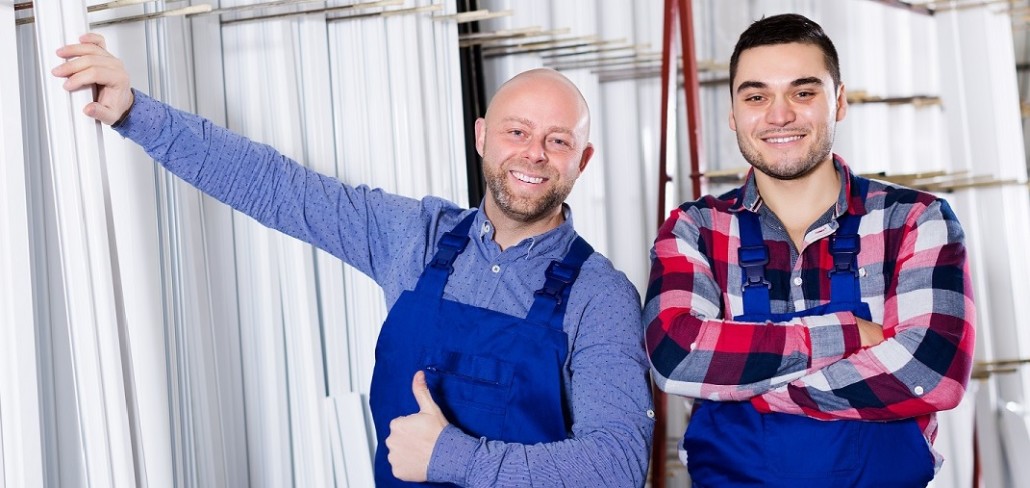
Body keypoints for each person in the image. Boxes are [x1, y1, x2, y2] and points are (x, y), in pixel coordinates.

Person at [54, 33, 654, 487]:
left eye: (558, 140)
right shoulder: (415, 238)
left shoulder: (599, 296)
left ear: (584, 158)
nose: (534, 154)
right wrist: (135, 111)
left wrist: (450, 456)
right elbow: (275, 186)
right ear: (480, 136)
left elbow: (617, 464)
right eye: (516, 132)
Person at [644, 13, 975, 487]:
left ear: (838, 101)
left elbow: (929, 372)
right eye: (757, 96)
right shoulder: (695, 229)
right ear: (733, 114)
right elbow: (679, 355)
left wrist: (749, 387)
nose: (779, 115)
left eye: (803, 92)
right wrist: (848, 335)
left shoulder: (916, 220)